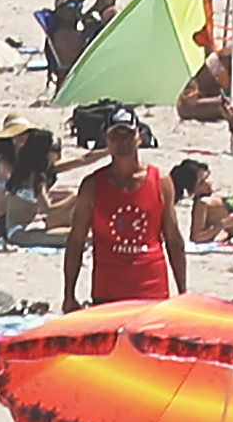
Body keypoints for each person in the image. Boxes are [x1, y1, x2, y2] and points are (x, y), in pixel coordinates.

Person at [60, 110, 182, 308]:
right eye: (115, 136)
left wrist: (182, 291)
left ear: (139, 138)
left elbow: (173, 239)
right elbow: (76, 241)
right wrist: (69, 295)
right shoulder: (92, 185)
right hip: (107, 294)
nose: (122, 142)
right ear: (106, 140)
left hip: (153, 293)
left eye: (128, 135)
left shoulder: (160, 181)